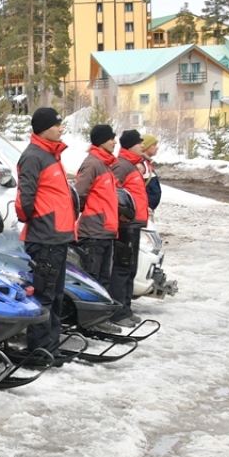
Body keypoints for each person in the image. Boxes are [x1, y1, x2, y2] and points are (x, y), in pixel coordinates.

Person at [15, 107, 77, 361]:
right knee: (43, 296)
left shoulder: (52, 155)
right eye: (57, 125)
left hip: (58, 237)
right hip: (45, 238)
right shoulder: (33, 156)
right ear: (44, 128)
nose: (61, 128)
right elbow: (24, 200)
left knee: (56, 296)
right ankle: (40, 351)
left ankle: (51, 347)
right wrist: (42, 220)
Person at [75, 124, 122, 334]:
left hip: (106, 231)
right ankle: (89, 322)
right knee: (92, 279)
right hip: (94, 231)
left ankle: (100, 319)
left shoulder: (105, 165)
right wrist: (92, 215)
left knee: (103, 279)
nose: (114, 141)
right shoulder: (92, 164)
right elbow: (78, 194)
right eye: (111, 138)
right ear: (101, 140)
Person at [108, 129, 152, 327]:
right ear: (130, 145)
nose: (142, 145)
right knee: (122, 268)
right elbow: (113, 192)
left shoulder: (133, 165)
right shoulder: (122, 165)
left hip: (134, 224)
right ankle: (118, 312)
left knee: (130, 268)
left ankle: (126, 307)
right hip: (125, 225)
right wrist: (122, 215)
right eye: (139, 142)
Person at [141, 134, 163, 213]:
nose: (157, 147)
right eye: (154, 145)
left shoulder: (146, 162)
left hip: (147, 208)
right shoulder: (141, 164)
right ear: (145, 146)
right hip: (144, 209)